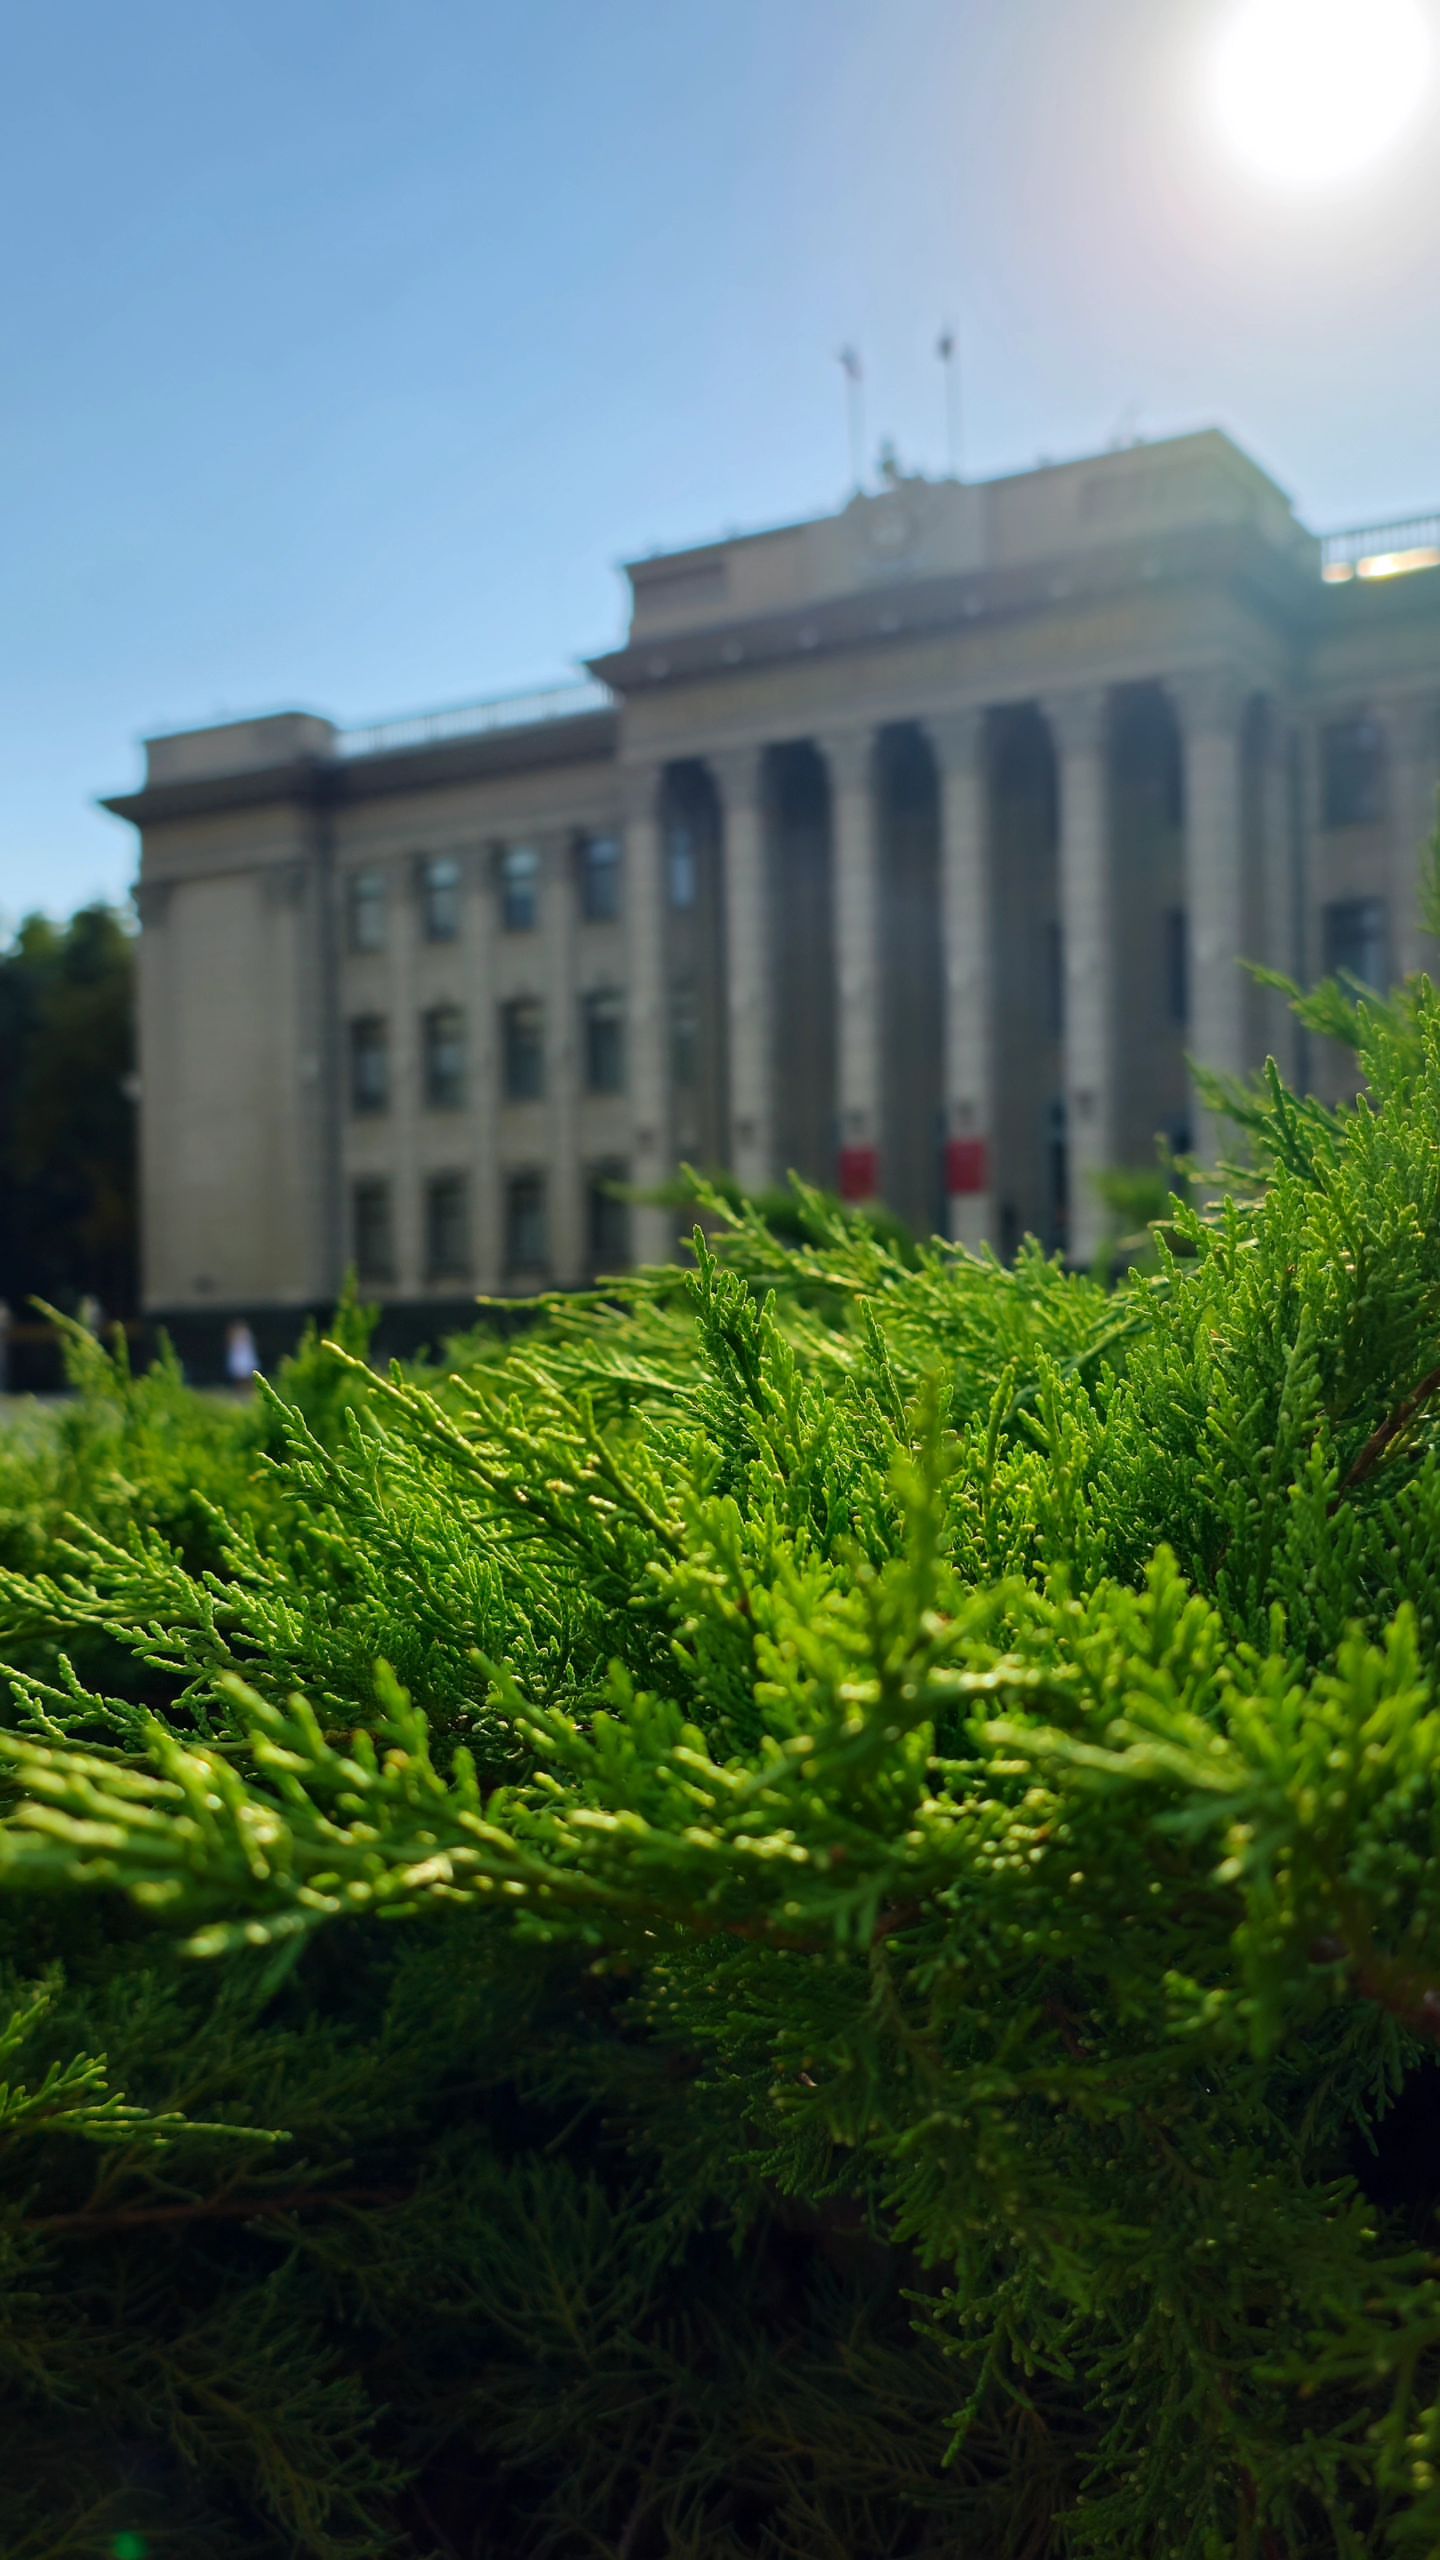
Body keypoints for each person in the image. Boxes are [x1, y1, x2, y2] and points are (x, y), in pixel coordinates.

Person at [225, 1319, 259, 1393]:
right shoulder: (233, 1334)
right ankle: (240, 1390)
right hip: (238, 1355)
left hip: (245, 1355)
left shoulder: (246, 1333)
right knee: (239, 1375)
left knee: (248, 1374)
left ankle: (249, 1390)